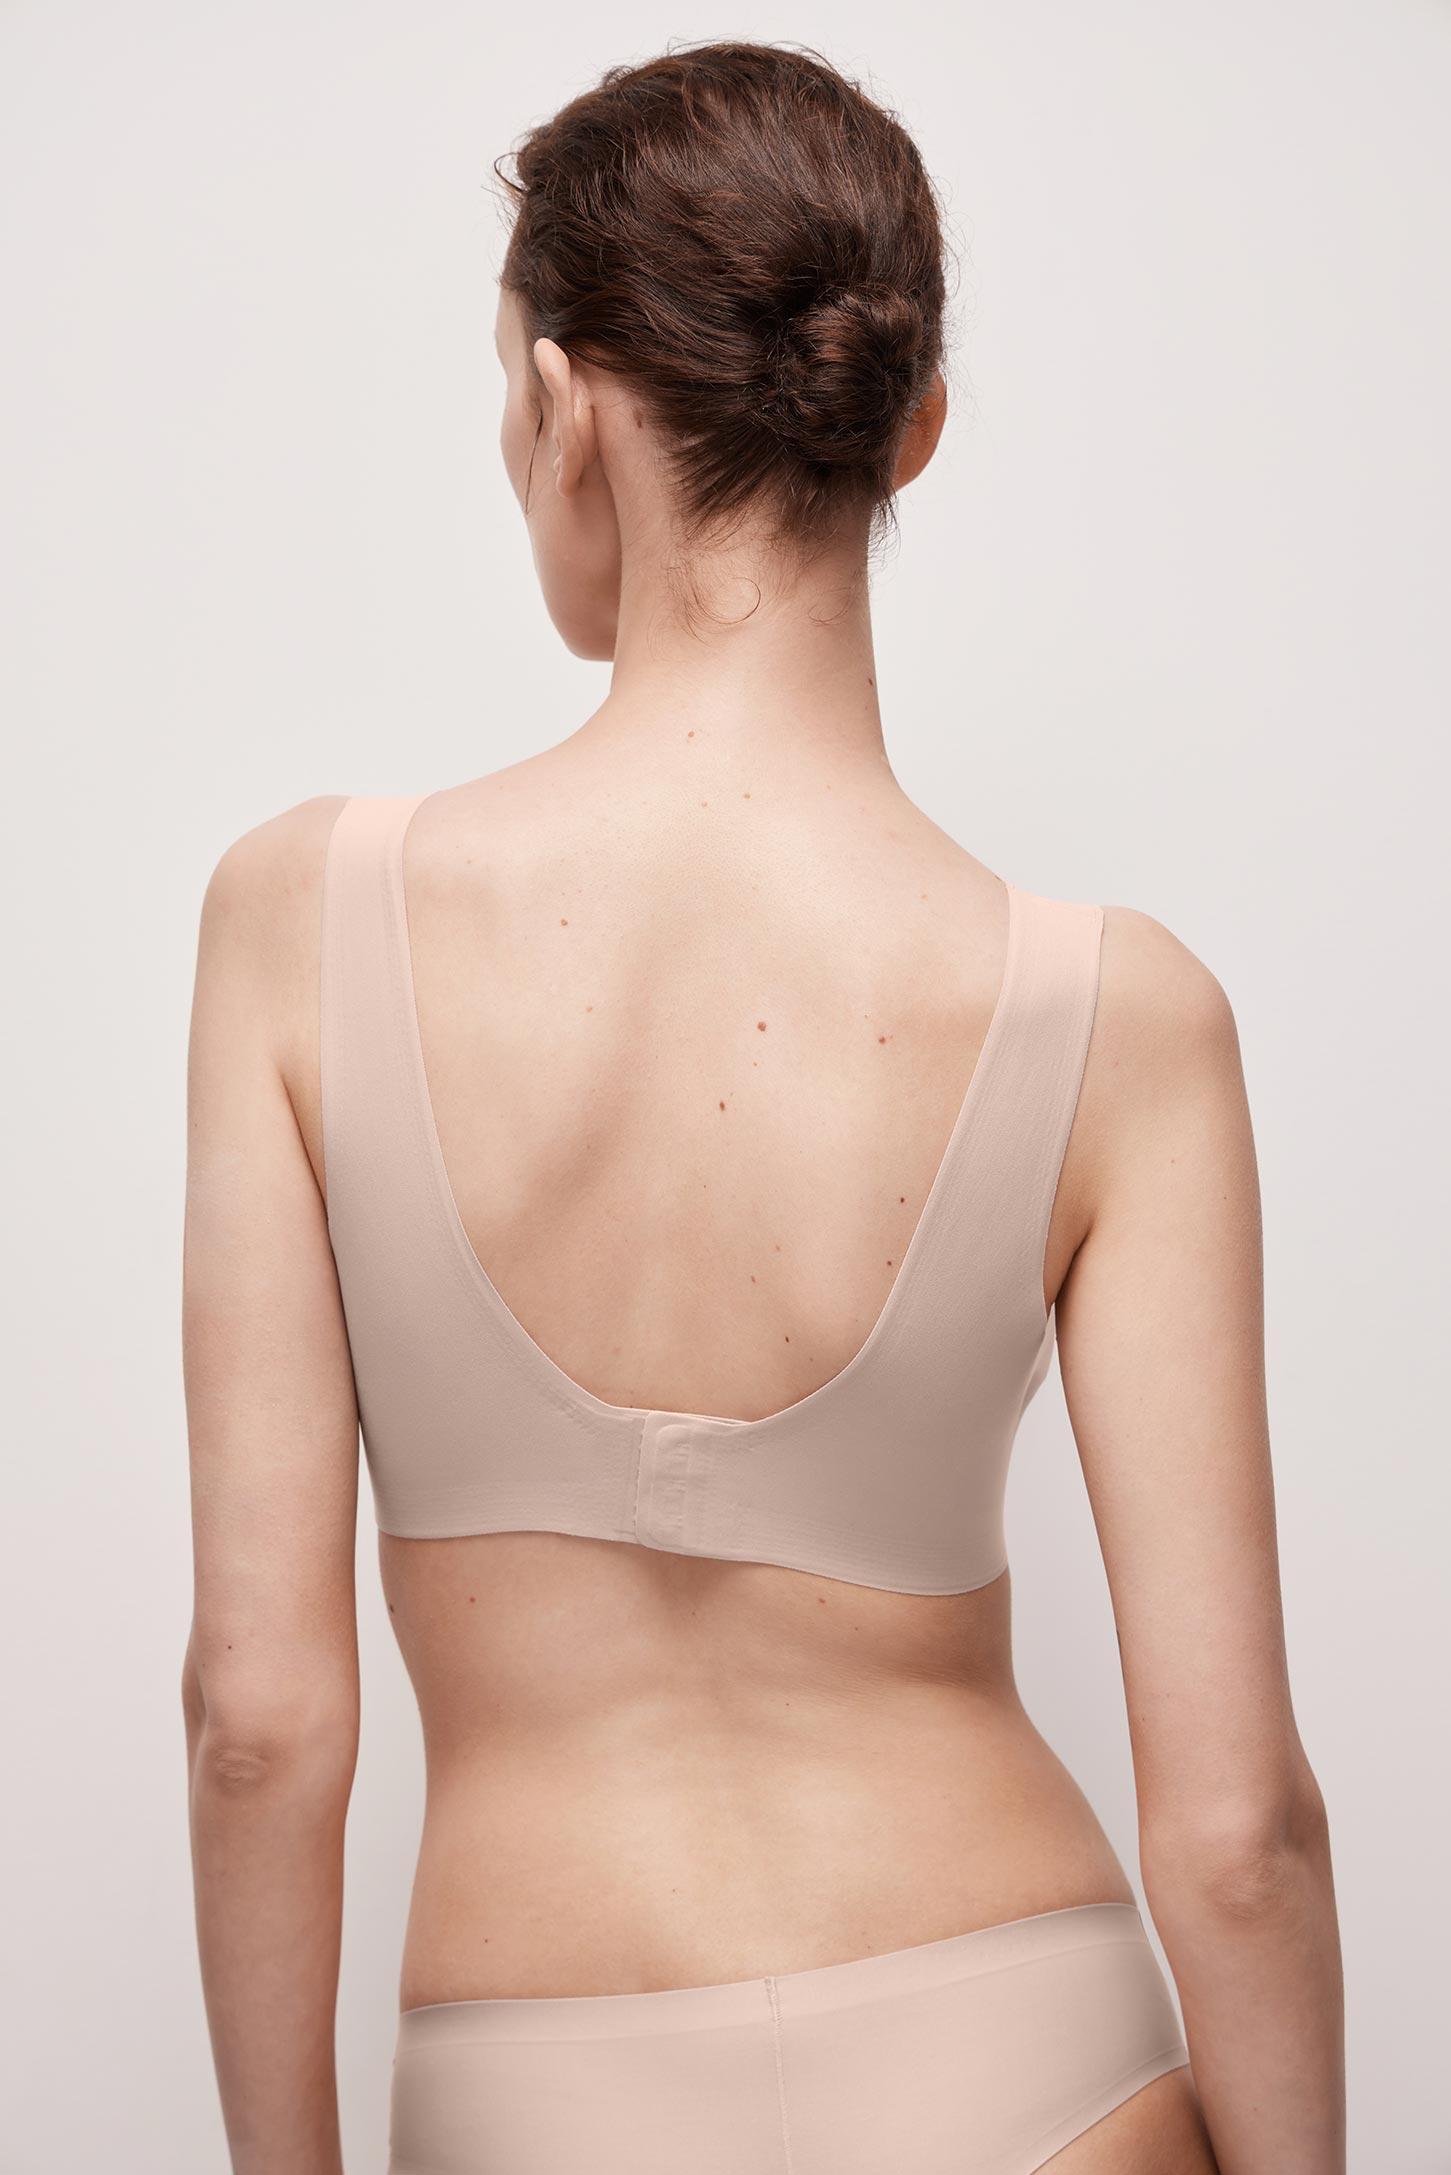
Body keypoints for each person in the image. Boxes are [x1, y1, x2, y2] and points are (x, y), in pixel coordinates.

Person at [180, 40, 1344, 2175]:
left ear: (561, 410)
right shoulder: (1125, 1017)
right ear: (911, 420)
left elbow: (258, 1722)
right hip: (1035, 2058)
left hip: (536, 2087)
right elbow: (1240, 1830)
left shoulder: (298, 926)